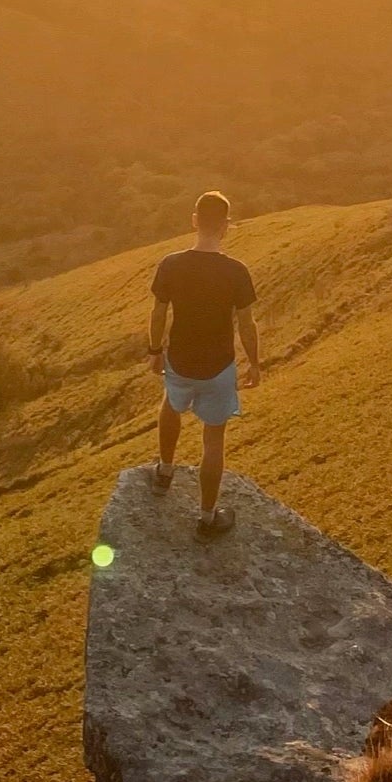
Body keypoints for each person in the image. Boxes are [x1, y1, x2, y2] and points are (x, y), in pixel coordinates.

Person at [147, 189, 261, 538]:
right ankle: (208, 518)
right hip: (219, 366)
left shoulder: (171, 264)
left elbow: (158, 312)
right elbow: (246, 324)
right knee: (214, 440)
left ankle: (165, 471)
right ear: (226, 226)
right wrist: (255, 363)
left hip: (180, 359)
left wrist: (155, 350)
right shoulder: (236, 271)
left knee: (170, 405)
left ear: (195, 221)